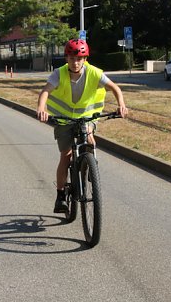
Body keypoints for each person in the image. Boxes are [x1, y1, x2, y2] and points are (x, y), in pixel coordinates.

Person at [36, 39, 128, 214]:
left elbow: (115, 88)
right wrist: (41, 109)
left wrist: (121, 104)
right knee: (66, 155)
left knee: (89, 141)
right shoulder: (59, 73)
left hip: (86, 118)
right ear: (66, 58)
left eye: (79, 58)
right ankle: (61, 195)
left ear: (85, 59)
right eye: (72, 58)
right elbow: (45, 91)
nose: (75, 62)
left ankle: (89, 168)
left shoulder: (94, 73)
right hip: (64, 120)